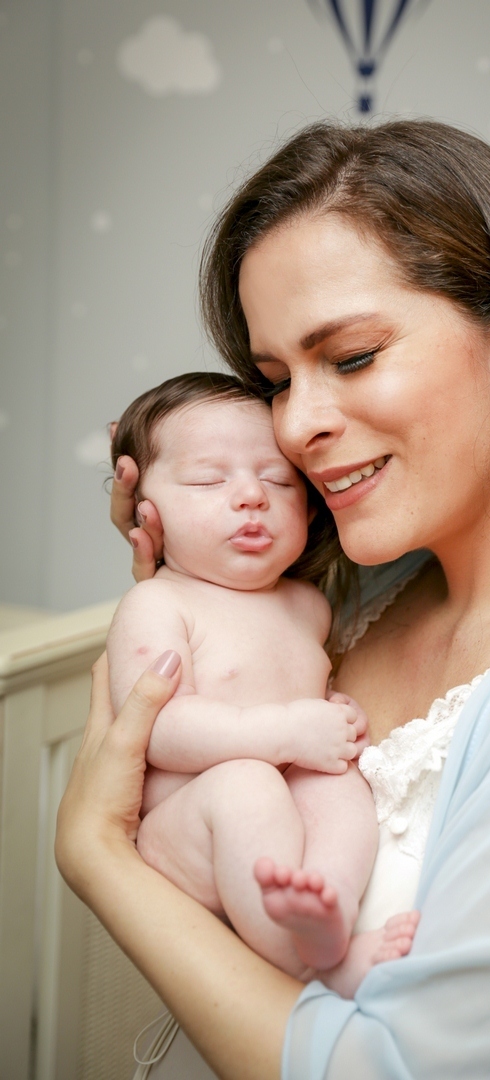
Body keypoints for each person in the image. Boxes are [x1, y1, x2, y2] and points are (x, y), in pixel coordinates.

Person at [55, 120, 490, 1079]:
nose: (299, 424)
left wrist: (98, 856)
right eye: (276, 380)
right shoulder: (361, 598)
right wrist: (193, 573)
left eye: (354, 357)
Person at [107, 372, 420, 998]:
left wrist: (332, 712)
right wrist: (283, 731)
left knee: (339, 783)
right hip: (192, 826)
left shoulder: (309, 605)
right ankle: (307, 961)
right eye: (208, 479)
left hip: (278, 813)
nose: (251, 496)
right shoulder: (159, 604)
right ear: (148, 509)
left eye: (278, 481)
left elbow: (304, 692)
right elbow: (158, 730)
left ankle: (323, 903)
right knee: (248, 781)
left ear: (308, 507)